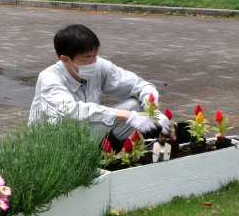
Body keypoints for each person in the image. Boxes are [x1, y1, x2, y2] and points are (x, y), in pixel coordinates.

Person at [28, 24, 170, 148]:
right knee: (128, 114)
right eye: (87, 57)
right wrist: (128, 116)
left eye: (95, 55)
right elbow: (71, 111)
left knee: (135, 104)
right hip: (56, 141)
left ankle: (107, 152)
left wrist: (152, 110)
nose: (93, 62)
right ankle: (91, 156)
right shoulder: (49, 78)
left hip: (87, 132)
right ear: (65, 59)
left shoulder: (99, 65)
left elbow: (139, 85)